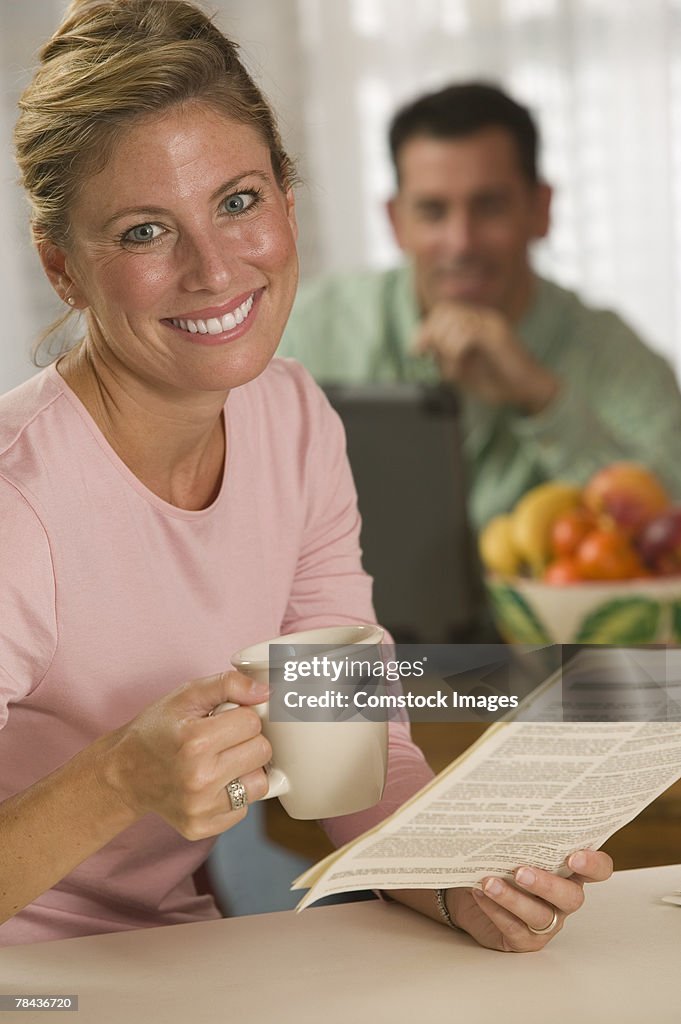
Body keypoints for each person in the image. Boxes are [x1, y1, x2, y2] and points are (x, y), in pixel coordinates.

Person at [0, 0, 611, 952]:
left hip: (183, 955)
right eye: (143, 232)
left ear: (288, 198)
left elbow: (347, 751)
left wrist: (465, 886)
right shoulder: (17, 506)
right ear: (64, 268)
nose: (213, 269)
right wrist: (118, 778)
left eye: (238, 202)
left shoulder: (291, 419)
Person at [280, 82, 681, 530]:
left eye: (489, 207)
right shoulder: (306, 331)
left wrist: (542, 399)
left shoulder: (613, 354)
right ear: (396, 222)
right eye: (433, 211)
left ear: (540, 209)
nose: (461, 243)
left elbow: (666, 529)